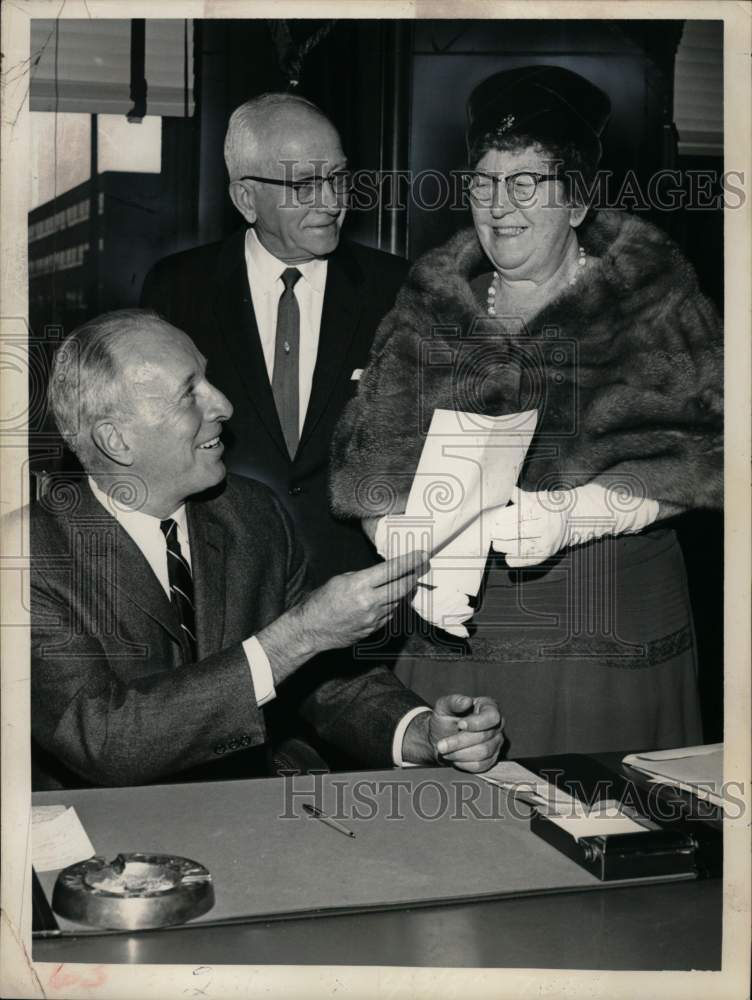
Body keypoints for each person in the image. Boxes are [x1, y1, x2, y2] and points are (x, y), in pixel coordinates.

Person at [330, 65, 723, 759]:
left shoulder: (653, 299)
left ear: (576, 202)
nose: (498, 205)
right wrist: (395, 535)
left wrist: (582, 514)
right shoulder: (431, 301)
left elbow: (708, 452)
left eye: (525, 183)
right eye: (483, 183)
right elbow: (369, 451)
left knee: (594, 831)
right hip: (455, 631)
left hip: (605, 632)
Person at [24, 309, 504, 789]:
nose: (224, 405)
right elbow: (105, 742)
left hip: (244, 817)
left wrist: (420, 732)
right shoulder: (33, 557)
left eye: (206, 378)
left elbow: (320, 677)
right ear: (116, 440)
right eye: (189, 393)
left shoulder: (250, 513)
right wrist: (297, 634)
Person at [141, 92, 408, 587]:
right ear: (246, 198)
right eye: (304, 184)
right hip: (225, 585)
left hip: (361, 591)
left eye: (338, 177)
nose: (331, 201)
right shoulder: (177, 289)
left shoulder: (398, 290)